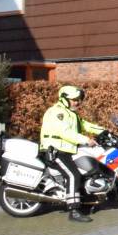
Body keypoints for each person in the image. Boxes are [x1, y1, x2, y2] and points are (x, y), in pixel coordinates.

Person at [39, 85, 105, 223]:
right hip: (55, 151)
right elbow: (65, 132)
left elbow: (85, 125)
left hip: (66, 151)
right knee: (72, 174)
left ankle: (85, 200)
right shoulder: (57, 112)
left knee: (84, 170)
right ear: (64, 99)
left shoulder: (71, 114)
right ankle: (73, 211)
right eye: (74, 99)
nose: (77, 102)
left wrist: (104, 131)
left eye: (78, 99)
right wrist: (86, 140)